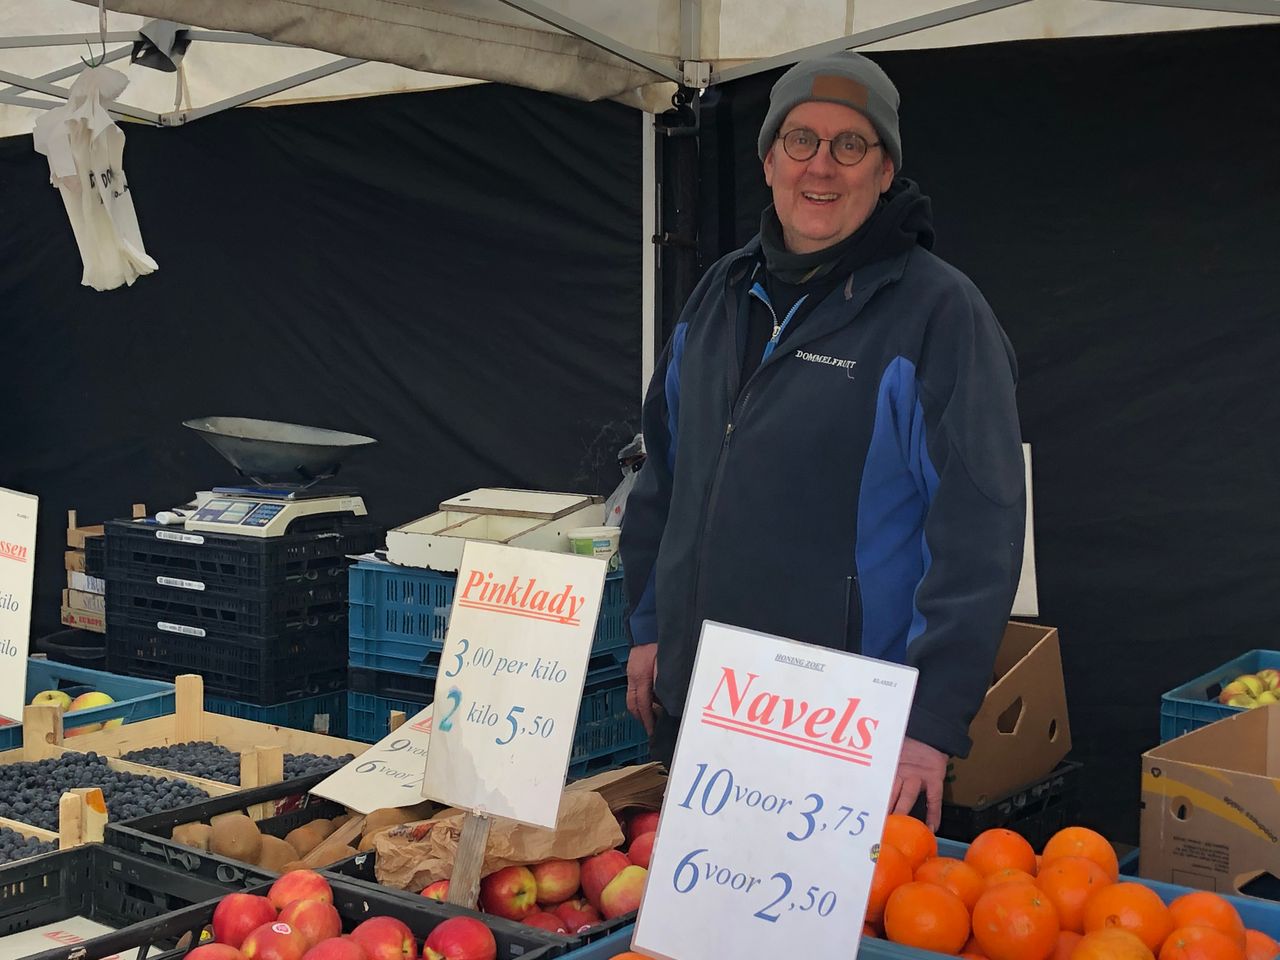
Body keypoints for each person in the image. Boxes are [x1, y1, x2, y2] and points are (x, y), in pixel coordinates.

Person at [619, 50, 1026, 832]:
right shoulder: (718, 295)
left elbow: (980, 534)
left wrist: (929, 724)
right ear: (769, 159)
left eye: (851, 145)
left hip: (842, 727)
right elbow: (663, 474)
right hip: (705, 702)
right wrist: (648, 630)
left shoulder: (939, 316)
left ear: (884, 171)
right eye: (801, 140)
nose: (822, 166)